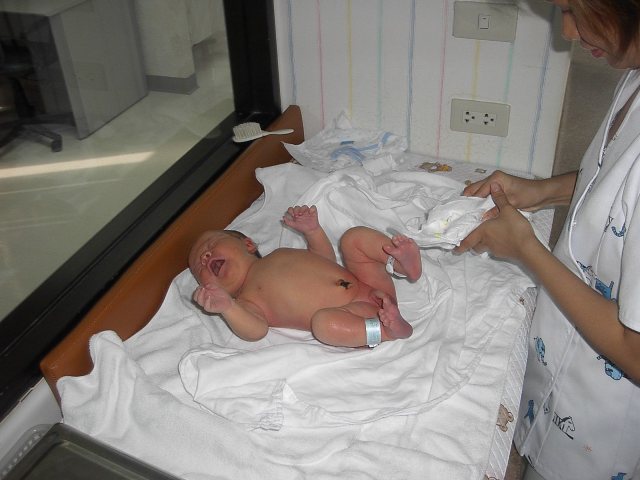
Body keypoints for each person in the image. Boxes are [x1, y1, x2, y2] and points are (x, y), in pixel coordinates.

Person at [455, 1, 640, 478]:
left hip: (606, 431)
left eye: (572, 9)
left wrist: (527, 250)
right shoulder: (634, 73)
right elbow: (613, 180)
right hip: (561, 377)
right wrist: (540, 192)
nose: (568, 32)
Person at [188, 204, 422, 348]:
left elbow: (324, 261)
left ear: (248, 244)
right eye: (200, 269)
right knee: (324, 325)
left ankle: (401, 265)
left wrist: (313, 232)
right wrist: (228, 307)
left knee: (353, 238)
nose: (205, 257)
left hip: (369, 283)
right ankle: (386, 331)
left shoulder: (280, 253)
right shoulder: (247, 301)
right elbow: (255, 331)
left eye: (212, 245)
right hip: (357, 315)